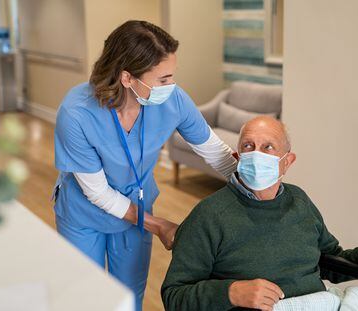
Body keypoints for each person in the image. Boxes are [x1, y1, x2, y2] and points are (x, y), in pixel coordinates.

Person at [53, 20, 237, 310]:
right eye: (163, 79)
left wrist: (251, 181)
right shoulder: (76, 114)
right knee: (83, 297)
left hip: (136, 205)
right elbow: (98, 193)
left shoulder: (172, 100)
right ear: (127, 78)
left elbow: (215, 151)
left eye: (172, 76)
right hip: (84, 213)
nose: (171, 86)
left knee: (129, 295)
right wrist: (157, 224)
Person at [161, 116, 358, 311]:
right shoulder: (209, 215)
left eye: (268, 147)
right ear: (238, 157)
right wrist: (230, 292)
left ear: (287, 161)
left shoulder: (299, 201)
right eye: (248, 146)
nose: (256, 155)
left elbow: (328, 258)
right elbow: (174, 295)